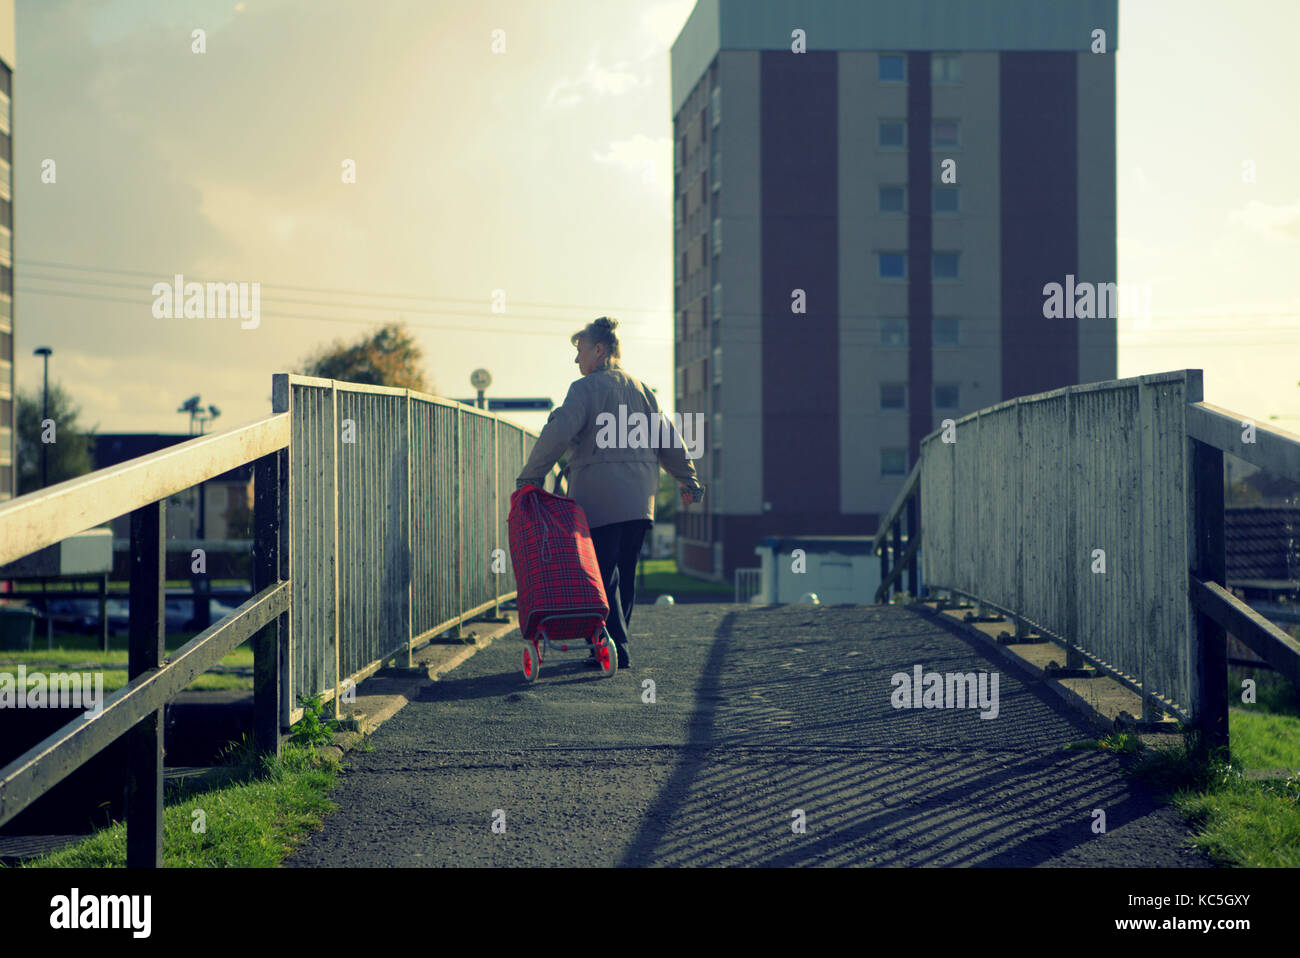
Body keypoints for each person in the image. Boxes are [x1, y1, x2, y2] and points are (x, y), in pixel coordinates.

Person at [516, 316, 704, 669]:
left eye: (580, 350)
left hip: (599, 501)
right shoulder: (643, 389)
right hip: (640, 500)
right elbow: (670, 439)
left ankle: (614, 645)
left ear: (599, 350)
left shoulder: (583, 390)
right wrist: (688, 480)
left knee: (601, 575)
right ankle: (613, 646)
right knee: (624, 572)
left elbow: (556, 435)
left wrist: (529, 478)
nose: (577, 360)